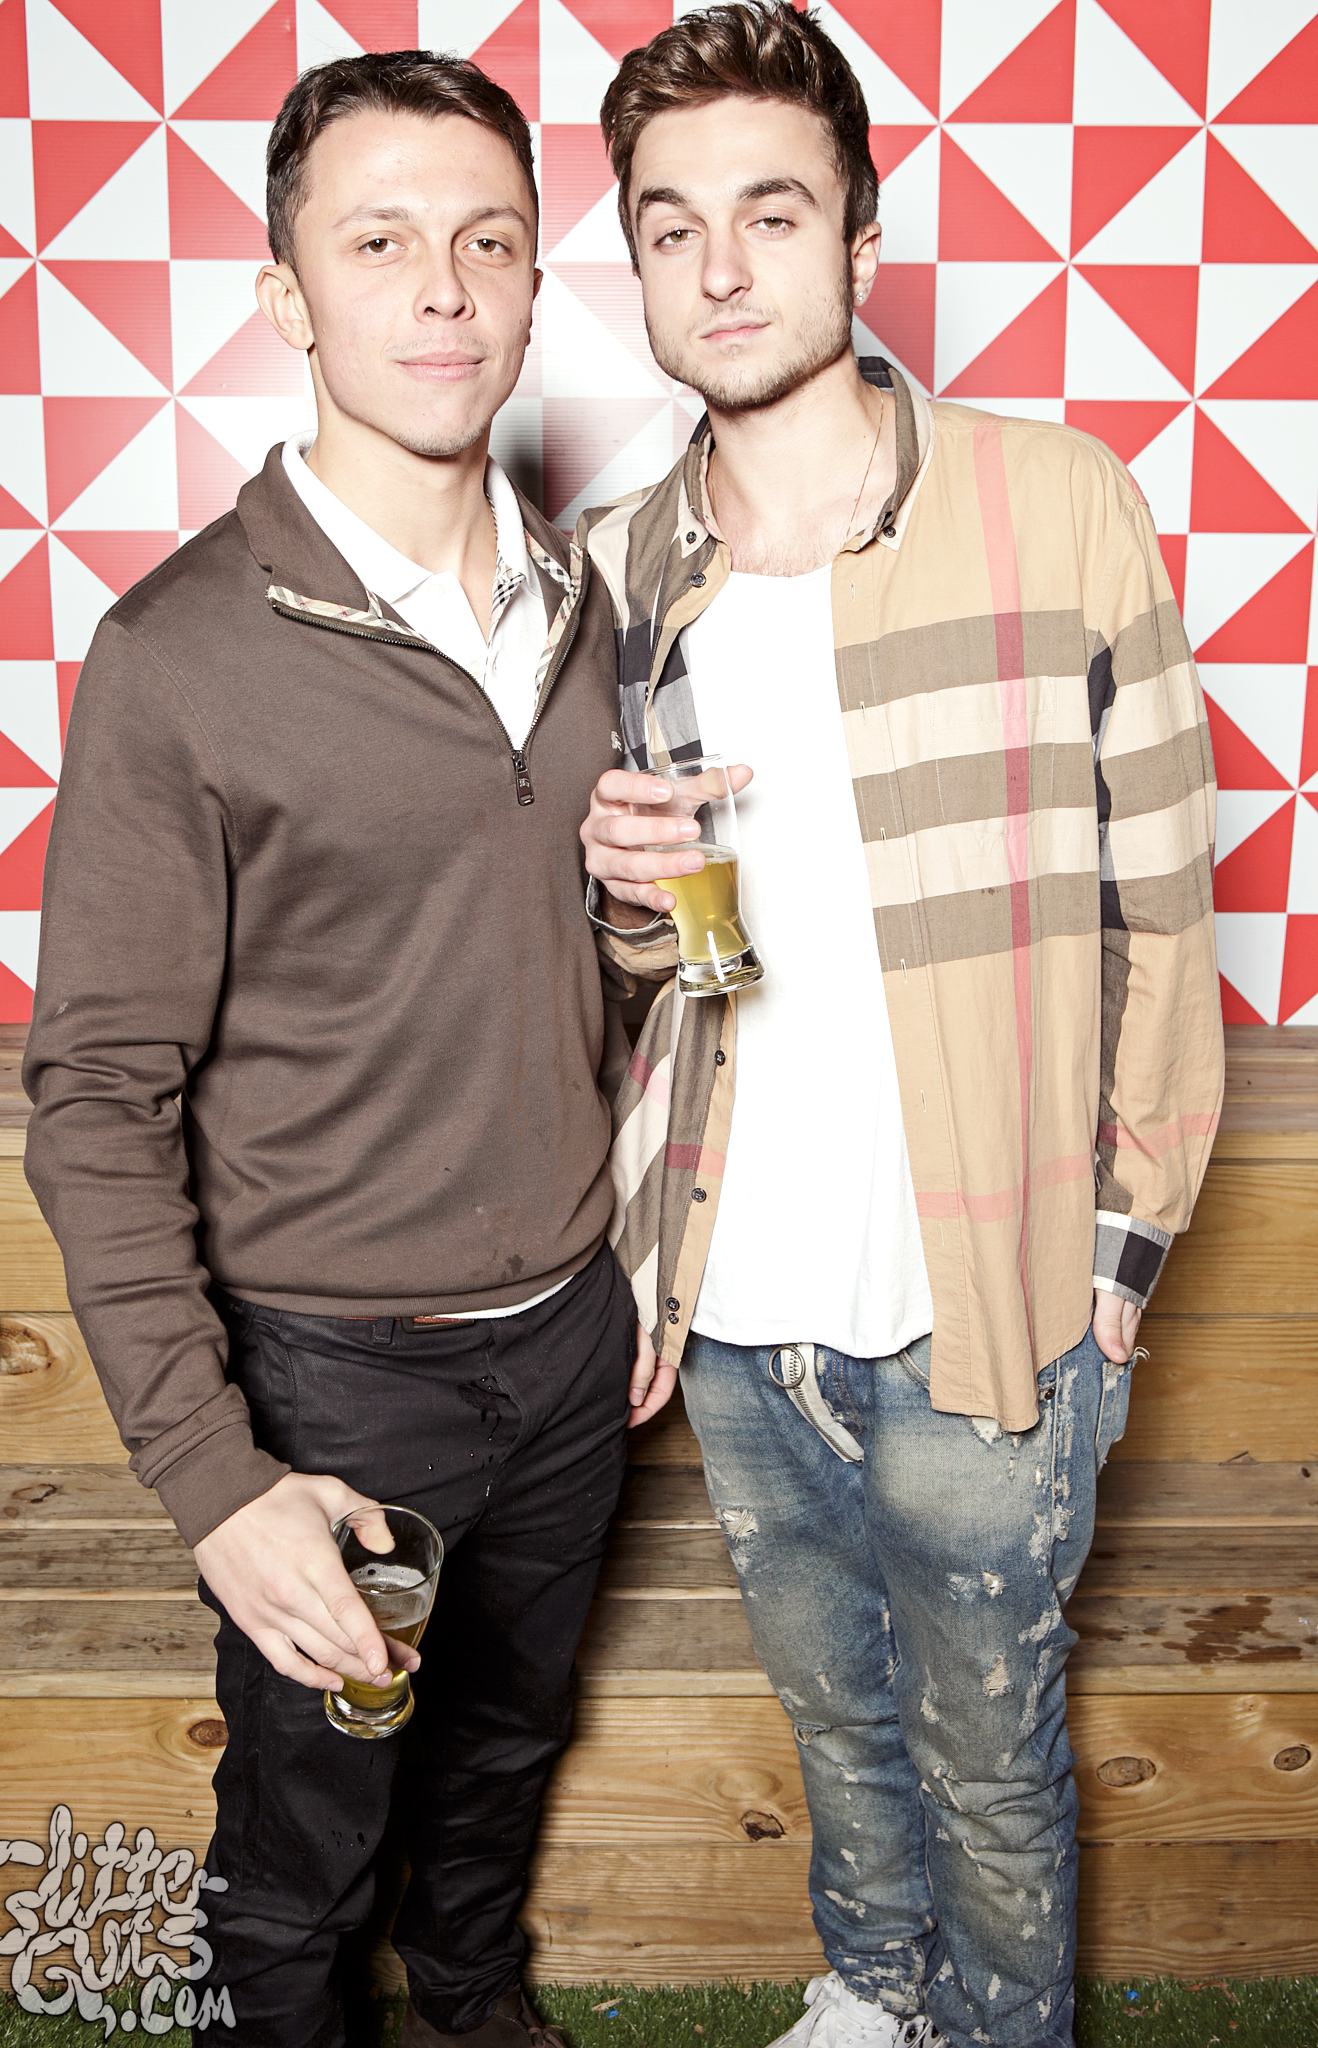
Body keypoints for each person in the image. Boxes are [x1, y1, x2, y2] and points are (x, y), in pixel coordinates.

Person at [577, 8, 1224, 2047]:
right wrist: (617, 902)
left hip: (992, 1286)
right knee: (833, 1709)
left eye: (770, 213)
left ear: (858, 238)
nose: (720, 266)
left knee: (988, 1746)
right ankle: (871, 1991)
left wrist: (1122, 1243)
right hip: (733, 1292)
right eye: (670, 225)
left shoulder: (1057, 502)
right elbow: (646, 975)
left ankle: (1001, 2027)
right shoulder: (617, 572)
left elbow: (1161, 904)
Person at [22, 49, 659, 2048]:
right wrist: (218, 1479)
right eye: (378, 242)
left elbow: (569, 968)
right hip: (331, 1375)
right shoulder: (176, 655)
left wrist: (639, 941)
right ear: (287, 296)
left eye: (488, 241)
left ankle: (475, 2005)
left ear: (534, 282)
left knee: (503, 1748)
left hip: (571, 1338)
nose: (442, 288)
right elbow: (94, 1097)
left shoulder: (590, 611)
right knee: (304, 1836)